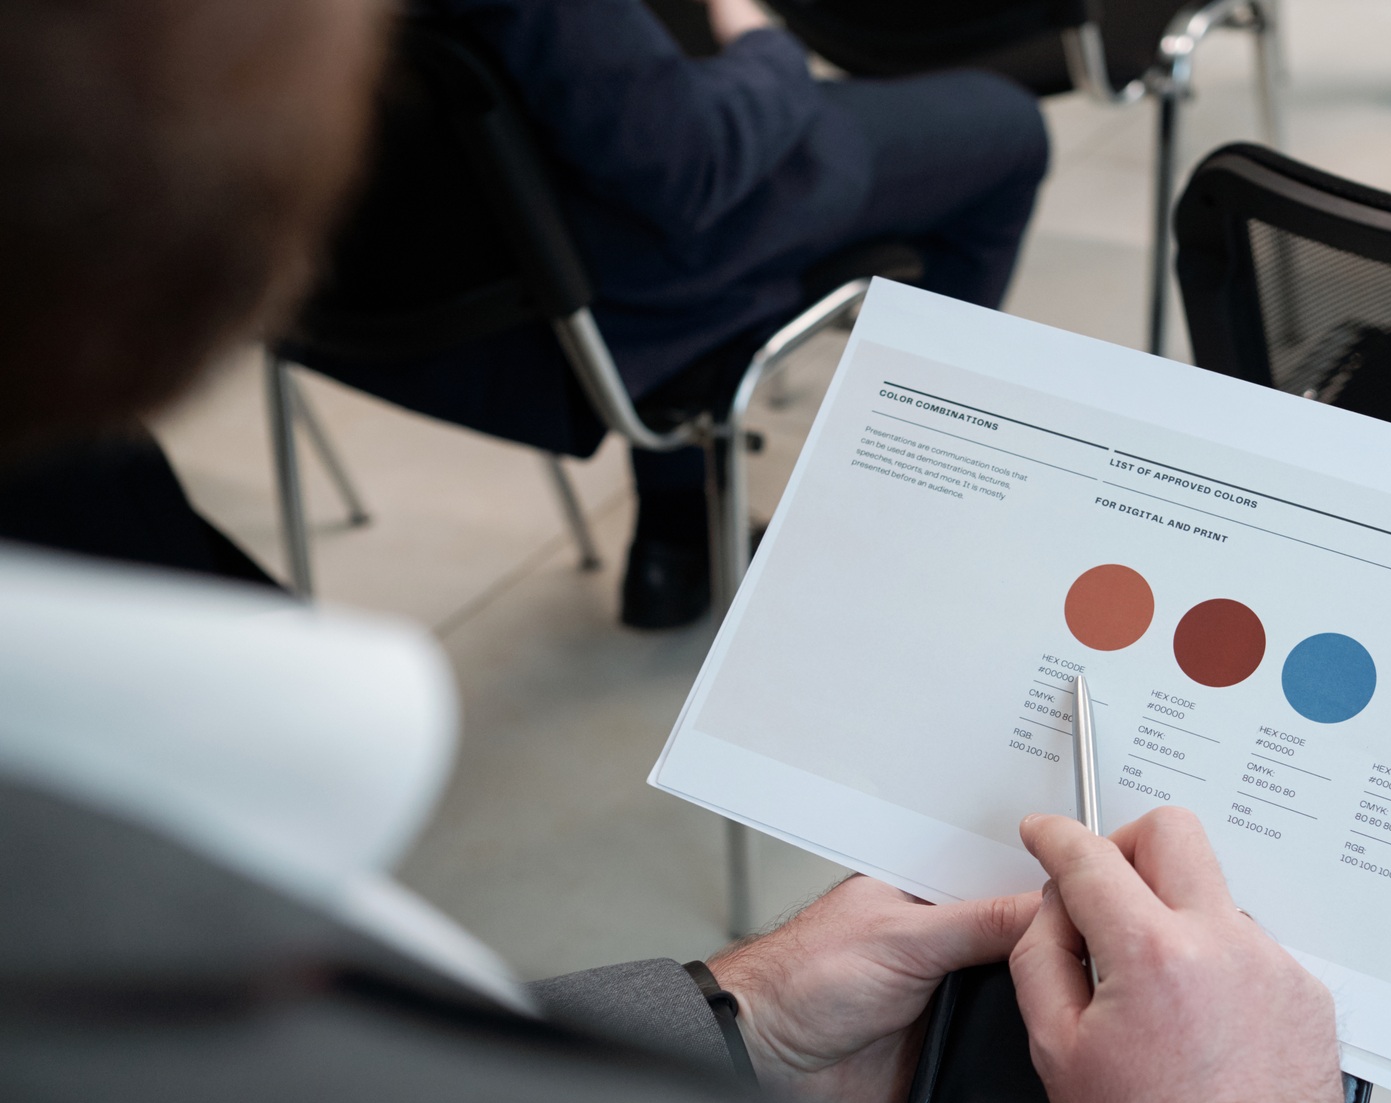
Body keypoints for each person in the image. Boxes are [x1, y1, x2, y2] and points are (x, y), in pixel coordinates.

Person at [1, 2, 1391, 1103]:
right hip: (659, 256)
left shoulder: (159, 946)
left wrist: (728, 1021)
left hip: (504, 328)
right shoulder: (193, 1086)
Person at [302, 0, 1050, 631]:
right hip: (578, 298)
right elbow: (692, 166)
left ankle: (679, 533)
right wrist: (765, 42)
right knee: (1008, 127)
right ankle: (893, 524)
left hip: (345, 301)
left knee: (647, 107)